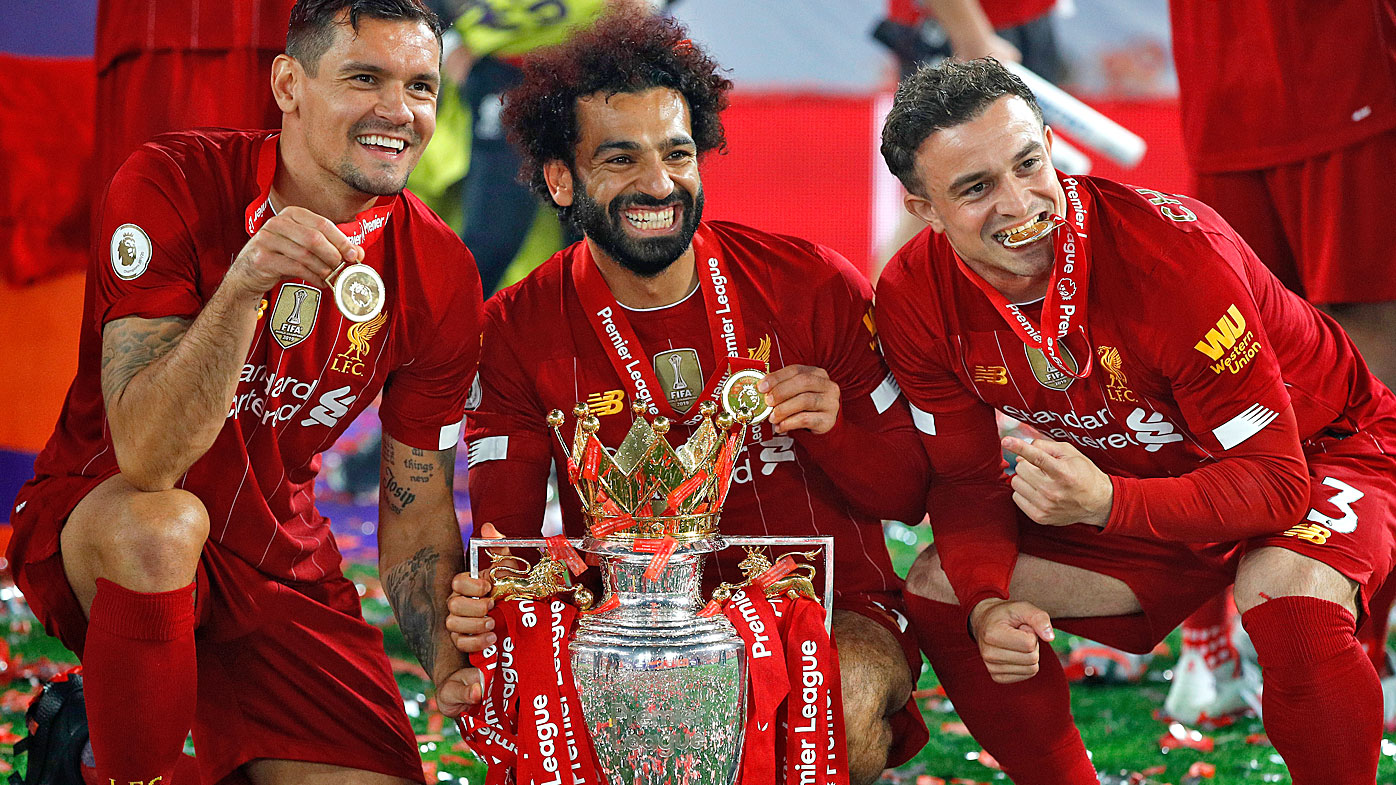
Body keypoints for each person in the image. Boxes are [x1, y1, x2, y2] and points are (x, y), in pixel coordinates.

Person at [876, 58, 1396, 785]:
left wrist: (1107, 502)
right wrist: (992, 604)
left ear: (1052, 145)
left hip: (1319, 449)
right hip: (1149, 477)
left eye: (1029, 163)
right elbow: (963, 481)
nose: (1020, 202)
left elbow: (1275, 484)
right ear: (921, 207)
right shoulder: (911, 297)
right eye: (975, 188)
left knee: (1288, 597)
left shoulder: (1173, 258)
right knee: (945, 588)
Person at [443, 13, 931, 784]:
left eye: (677, 153)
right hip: (630, 625)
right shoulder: (516, 328)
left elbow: (905, 492)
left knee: (838, 692)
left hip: (833, 615)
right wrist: (483, 607)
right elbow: (510, 546)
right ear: (562, 178)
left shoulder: (811, 284)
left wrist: (835, 425)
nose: (659, 184)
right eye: (621, 158)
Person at [5, 1, 485, 783]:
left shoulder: (438, 270)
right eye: (365, 78)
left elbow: (419, 506)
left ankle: (89, 740)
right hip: (102, 517)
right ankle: (118, 761)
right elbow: (148, 455)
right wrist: (243, 287)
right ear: (288, 84)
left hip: (274, 558)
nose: (398, 111)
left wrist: (445, 663)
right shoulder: (170, 182)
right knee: (165, 527)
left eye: (421, 87)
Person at [1161, 0, 1396, 726]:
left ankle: (1212, 653)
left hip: (1266, 80)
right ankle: (1358, 649)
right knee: (1243, 360)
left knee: (1228, 359)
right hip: (1322, 76)